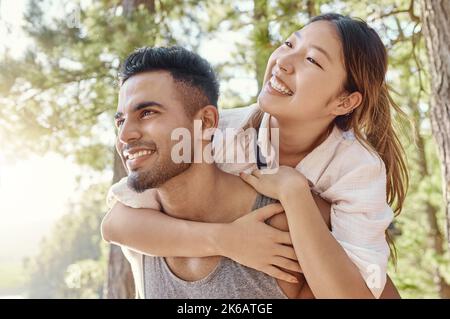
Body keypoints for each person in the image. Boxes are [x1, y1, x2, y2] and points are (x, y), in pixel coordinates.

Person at [103, 13, 408, 298]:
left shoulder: (357, 168)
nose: (284, 62)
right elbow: (117, 223)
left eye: (312, 60)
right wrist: (228, 240)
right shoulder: (221, 132)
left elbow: (357, 291)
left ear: (343, 102)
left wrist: (294, 192)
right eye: (289, 43)